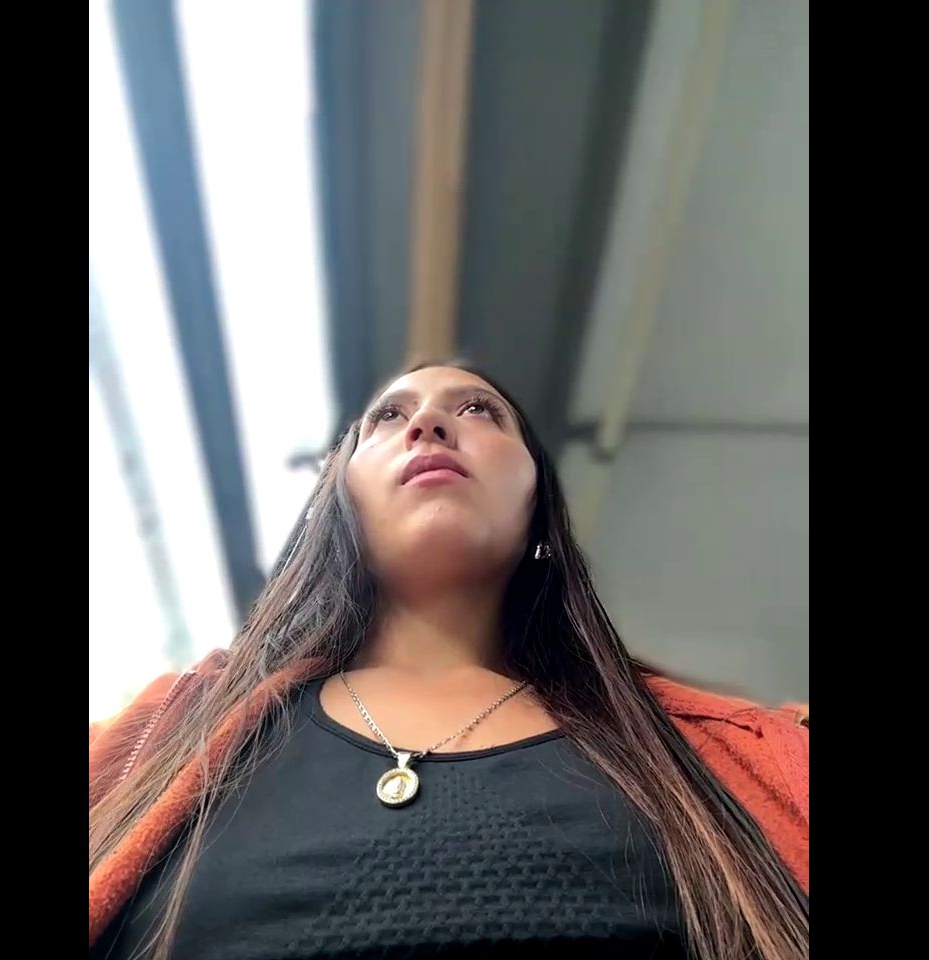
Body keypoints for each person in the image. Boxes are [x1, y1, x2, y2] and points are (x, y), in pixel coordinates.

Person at [89, 361, 808, 959]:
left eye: (478, 411)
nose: (428, 424)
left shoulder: (747, 754)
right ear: (338, 500)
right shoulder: (158, 736)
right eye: (388, 417)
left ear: (540, 506)